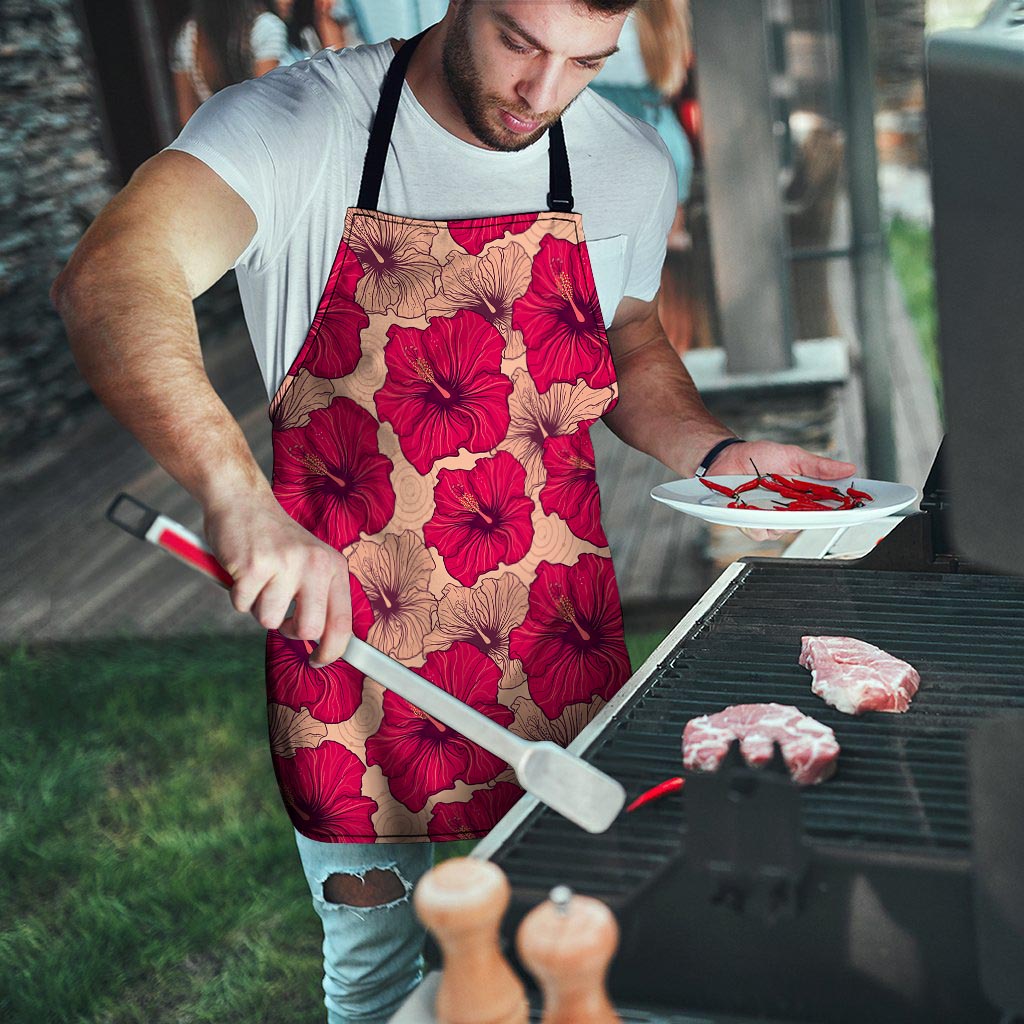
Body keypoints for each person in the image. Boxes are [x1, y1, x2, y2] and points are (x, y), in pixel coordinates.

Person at [52, 2, 856, 1020]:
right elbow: (112, 275)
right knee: (381, 979)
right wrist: (235, 496)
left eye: (585, 62)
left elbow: (629, 333)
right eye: (521, 43)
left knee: (587, 947)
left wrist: (717, 449)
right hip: (352, 661)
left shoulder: (625, 160)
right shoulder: (298, 125)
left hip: (556, 640)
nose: (543, 92)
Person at [170, 0, 289, 126]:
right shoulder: (265, 27)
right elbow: (266, 105)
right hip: (264, 135)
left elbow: (187, 118)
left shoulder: (187, 36)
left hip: (215, 138)